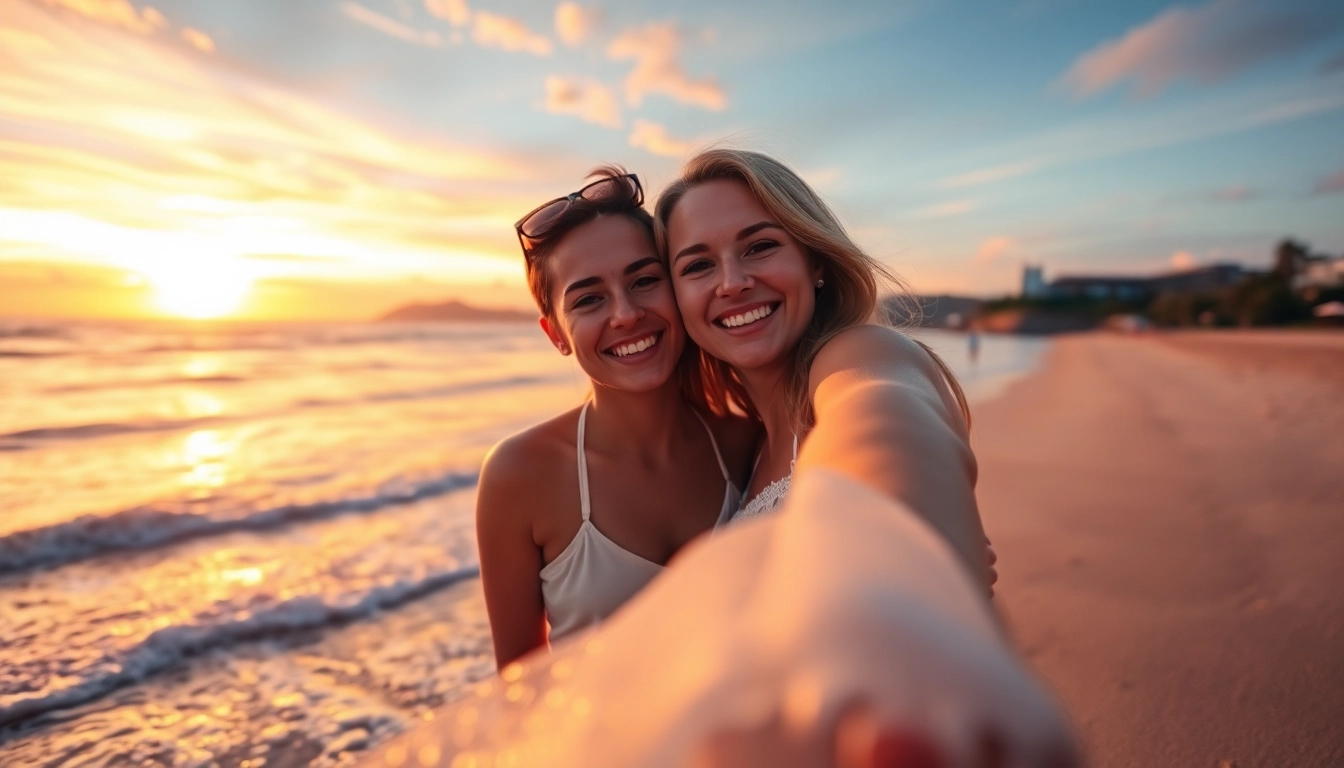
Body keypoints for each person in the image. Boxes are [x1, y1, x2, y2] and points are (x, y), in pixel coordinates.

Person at [655, 148, 990, 585]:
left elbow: (883, 425)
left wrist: (912, 527)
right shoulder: (745, 450)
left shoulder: (861, 354)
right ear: (676, 297)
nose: (733, 283)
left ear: (815, 261)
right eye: (698, 265)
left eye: (760, 247)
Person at [474, 167, 758, 670]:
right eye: (588, 299)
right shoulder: (520, 475)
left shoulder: (746, 443)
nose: (625, 314)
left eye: (644, 281)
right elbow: (518, 690)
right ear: (556, 335)